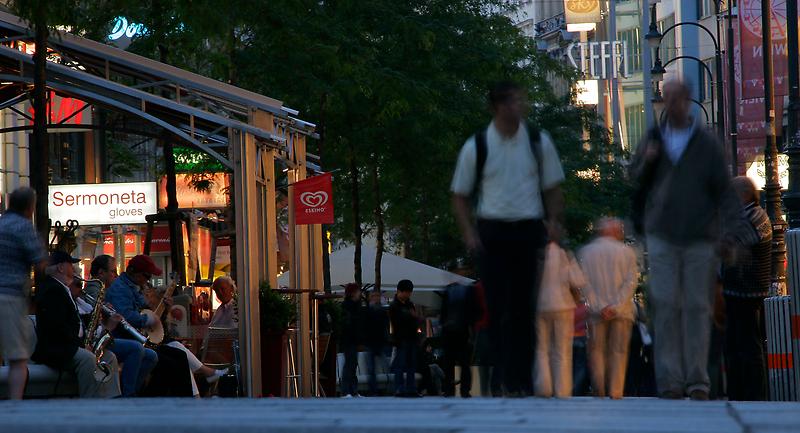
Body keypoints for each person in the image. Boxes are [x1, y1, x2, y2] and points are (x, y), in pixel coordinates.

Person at [630, 79, 742, 400]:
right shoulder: (654, 138)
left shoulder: (706, 144)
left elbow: (724, 190)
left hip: (699, 237)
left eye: (680, 98)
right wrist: (647, 161)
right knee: (665, 305)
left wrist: (731, 233)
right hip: (662, 234)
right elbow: (634, 178)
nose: (675, 103)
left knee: (696, 306)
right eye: (669, 98)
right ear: (664, 101)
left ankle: (697, 380)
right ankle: (669, 381)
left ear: (690, 100)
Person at [451, 81, 565, 396]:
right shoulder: (478, 146)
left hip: (528, 228)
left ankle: (521, 380)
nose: (519, 107)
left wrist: (554, 221)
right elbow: (459, 194)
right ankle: (502, 376)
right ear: (497, 107)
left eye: (520, 101)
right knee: (498, 306)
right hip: (493, 230)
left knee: (524, 308)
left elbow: (553, 187)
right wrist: (470, 233)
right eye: (512, 102)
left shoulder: (538, 141)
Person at [106, 255, 222, 397]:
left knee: (178, 355)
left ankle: (187, 401)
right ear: (132, 271)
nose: (148, 280)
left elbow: (145, 308)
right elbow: (126, 316)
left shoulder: (132, 287)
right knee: (168, 363)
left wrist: (163, 309)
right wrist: (147, 320)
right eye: (146, 276)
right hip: (128, 339)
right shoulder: (120, 289)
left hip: (138, 338)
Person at [32, 251, 121, 398]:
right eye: (70, 265)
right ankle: (89, 404)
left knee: (109, 357)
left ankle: (112, 400)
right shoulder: (52, 290)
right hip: (57, 348)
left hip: (70, 345)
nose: (74, 269)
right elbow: (57, 327)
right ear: (61, 267)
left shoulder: (62, 289)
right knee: (88, 359)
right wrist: (80, 345)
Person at [578, 218, 639, 399]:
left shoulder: (586, 252)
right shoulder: (628, 252)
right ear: (615, 231)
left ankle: (599, 388)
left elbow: (583, 283)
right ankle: (616, 390)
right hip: (622, 312)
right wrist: (616, 306)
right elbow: (631, 282)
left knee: (596, 351)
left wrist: (598, 305)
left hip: (596, 312)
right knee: (618, 351)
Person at [722, 176, 771, 401]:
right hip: (741, 290)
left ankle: (751, 394)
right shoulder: (750, 215)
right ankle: (742, 392)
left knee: (748, 345)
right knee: (739, 344)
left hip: (747, 290)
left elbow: (729, 244)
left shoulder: (753, 216)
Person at [86, 254, 158, 397]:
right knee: (136, 348)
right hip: (98, 340)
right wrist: (109, 320)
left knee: (152, 356)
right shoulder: (96, 290)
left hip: (107, 336)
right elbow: (93, 323)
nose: (116, 275)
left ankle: (133, 392)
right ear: (101, 273)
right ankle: (128, 395)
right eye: (113, 271)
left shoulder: (106, 290)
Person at [0, 187, 47, 399]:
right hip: (10, 296)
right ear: (30, 207)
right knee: (18, 358)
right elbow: (40, 263)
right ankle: (15, 405)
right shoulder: (23, 226)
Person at [534, 240, 586, 398]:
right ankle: (562, 390)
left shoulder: (535, 253)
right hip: (563, 305)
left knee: (542, 349)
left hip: (540, 305)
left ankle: (543, 387)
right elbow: (578, 281)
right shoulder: (565, 254)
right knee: (562, 350)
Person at [441, 282, 477, 398]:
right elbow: (472, 312)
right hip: (462, 331)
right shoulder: (468, 291)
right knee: (464, 364)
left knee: (449, 363)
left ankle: (449, 390)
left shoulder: (448, 291)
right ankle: (464, 390)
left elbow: (443, 313)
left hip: (449, 332)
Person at [389, 279, 421, 397]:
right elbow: (397, 322)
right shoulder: (394, 306)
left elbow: (416, 320)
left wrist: (414, 318)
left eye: (409, 292)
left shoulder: (409, 304)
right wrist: (410, 316)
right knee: (400, 365)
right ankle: (399, 388)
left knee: (411, 365)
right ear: (399, 291)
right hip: (401, 339)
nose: (408, 295)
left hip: (412, 338)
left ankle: (411, 389)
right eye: (406, 292)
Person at [340, 283, 364, 397]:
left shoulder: (353, 306)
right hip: (349, 339)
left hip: (351, 339)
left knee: (352, 365)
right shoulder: (350, 307)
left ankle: (352, 390)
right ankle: (347, 390)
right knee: (350, 365)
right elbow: (351, 325)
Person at [364, 290, 389, 396]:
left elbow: (385, 326)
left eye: (377, 296)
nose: (376, 298)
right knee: (371, 369)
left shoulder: (381, 311)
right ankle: (373, 390)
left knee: (384, 366)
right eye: (373, 296)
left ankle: (381, 390)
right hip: (371, 343)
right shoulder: (368, 311)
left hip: (380, 342)